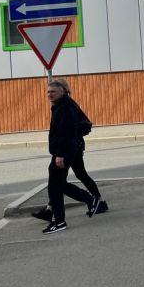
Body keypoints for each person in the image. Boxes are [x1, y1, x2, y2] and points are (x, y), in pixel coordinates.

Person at [39, 79, 107, 234]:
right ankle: (89, 201)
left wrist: (60, 154)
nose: (49, 94)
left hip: (64, 152)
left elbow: (65, 133)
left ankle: (60, 220)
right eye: (48, 92)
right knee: (58, 184)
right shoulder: (61, 105)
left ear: (62, 91)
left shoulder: (64, 107)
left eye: (53, 91)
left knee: (56, 185)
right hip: (66, 150)